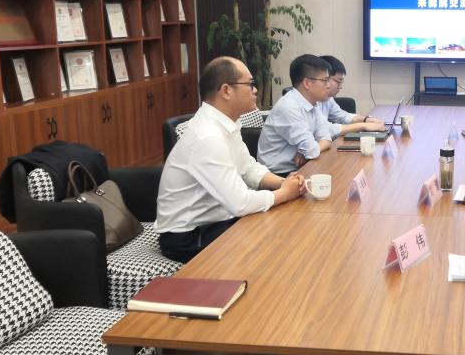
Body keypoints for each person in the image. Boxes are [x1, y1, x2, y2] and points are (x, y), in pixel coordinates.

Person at [155, 56, 305, 263]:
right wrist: (285, 193)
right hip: (188, 236)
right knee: (275, 241)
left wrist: (286, 183)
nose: (255, 90)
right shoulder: (208, 137)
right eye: (250, 84)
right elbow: (240, 203)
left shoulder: (225, 124)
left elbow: (249, 169)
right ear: (226, 90)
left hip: (218, 220)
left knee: (284, 224)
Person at [257, 54, 337, 176]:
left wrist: (306, 150)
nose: (329, 85)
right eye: (325, 80)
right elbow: (312, 150)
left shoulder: (312, 103)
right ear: (307, 83)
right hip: (276, 174)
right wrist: (309, 150)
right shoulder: (289, 107)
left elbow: (326, 138)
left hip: (299, 167)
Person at [316, 54, 386, 136]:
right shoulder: (310, 100)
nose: (340, 87)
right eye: (338, 81)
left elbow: (342, 116)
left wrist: (365, 120)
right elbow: (325, 129)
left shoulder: (327, 98)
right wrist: (362, 126)